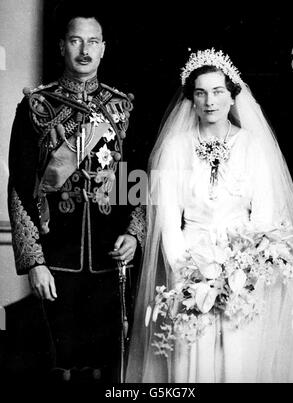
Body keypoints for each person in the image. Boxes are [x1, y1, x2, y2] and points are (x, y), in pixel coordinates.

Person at [126, 48, 293, 383]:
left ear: (233, 97)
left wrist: (240, 269)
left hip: (242, 272)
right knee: (193, 361)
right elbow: (167, 221)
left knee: (238, 358)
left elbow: (263, 214)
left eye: (218, 92)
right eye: (201, 93)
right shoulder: (175, 147)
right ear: (190, 99)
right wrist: (188, 274)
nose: (210, 101)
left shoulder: (252, 146)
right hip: (190, 267)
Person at [7, 4, 145, 383]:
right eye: (75, 40)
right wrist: (34, 260)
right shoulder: (36, 106)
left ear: (104, 48)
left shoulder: (122, 109)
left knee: (108, 367)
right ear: (61, 47)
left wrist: (135, 234)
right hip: (57, 255)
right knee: (60, 366)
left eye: (93, 42)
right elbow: (20, 186)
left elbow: (138, 178)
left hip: (110, 253)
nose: (85, 49)